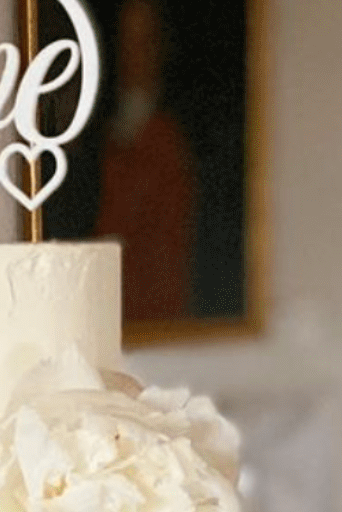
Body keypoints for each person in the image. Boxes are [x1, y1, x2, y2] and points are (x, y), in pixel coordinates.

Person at [95, 0, 196, 322]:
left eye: (144, 41)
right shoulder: (97, 129)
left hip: (153, 305)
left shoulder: (171, 137)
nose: (133, 54)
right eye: (127, 41)